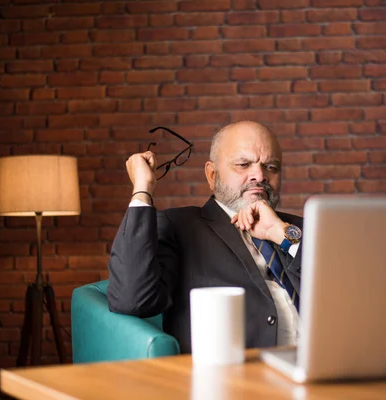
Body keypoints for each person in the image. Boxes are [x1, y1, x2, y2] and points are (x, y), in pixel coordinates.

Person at [107, 121, 304, 353]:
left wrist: (285, 236)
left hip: (325, 372)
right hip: (237, 376)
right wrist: (142, 188)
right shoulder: (181, 227)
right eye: (243, 164)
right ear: (212, 175)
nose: (259, 175)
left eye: (271, 167)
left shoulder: (298, 228)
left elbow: (351, 290)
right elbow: (133, 299)